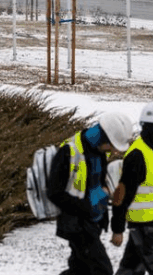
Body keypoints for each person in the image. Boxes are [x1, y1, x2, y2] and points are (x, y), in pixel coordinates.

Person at [48, 112, 135, 275]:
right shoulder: (69, 151)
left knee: (80, 270)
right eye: (114, 146)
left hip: (93, 223)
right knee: (102, 270)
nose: (115, 152)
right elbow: (54, 192)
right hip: (78, 225)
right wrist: (87, 207)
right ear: (106, 139)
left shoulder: (99, 151)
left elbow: (94, 184)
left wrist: (105, 192)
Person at [111, 102, 153, 275]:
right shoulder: (138, 155)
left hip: (149, 225)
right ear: (152, 127)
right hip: (144, 228)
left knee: (130, 270)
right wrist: (117, 229)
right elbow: (122, 195)